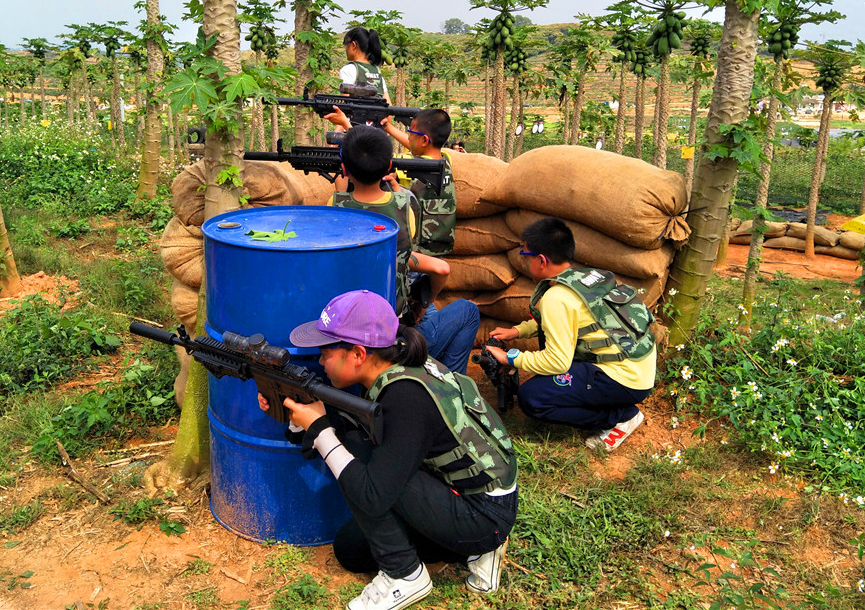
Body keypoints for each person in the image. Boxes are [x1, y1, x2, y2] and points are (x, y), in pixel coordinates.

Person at [262, 290, 518, 610]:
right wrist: (299, 418)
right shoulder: (398, 368)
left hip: (483, 513)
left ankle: (406, 575)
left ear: (357, 353)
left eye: (325, 351)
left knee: (358, 458)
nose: (320, 361)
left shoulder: (406, 397)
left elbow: (372, 494)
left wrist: (321, 431)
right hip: (455, 490)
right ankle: (467, 551)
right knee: (351, 550)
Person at [486, 217, 656, 452]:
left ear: (541, 260)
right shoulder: (584, 279)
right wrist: (517, 331)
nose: (523, 263)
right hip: (639, 369)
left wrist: (512, 358)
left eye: (525, 256)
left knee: (532, 398)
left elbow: (557, 362)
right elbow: (574, 321)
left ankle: (621, 417)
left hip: (622, 379)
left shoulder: (556, 297)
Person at [331, 126, 478, 374]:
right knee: (466, 311)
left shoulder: (335, 208)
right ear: (389, 166)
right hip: (393, 334)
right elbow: (440, 267)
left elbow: (343, 201)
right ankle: (449, 379)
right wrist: (420, 308)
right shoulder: (403, 207)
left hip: (351, 327)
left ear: (344, 169)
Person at [381, 108, 458, 259]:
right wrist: (389, 128)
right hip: (437, 246)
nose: (408, 138)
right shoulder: (445, 159)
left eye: (410, 133)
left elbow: (372, 157)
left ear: (424, 140)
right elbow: (418, 146)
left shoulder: (410, 165)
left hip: (416, 250)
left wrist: (346, 123)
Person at [339, 27, 391, 101]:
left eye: (346, 44)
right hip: (377, 112)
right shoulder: (376, 71)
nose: (345, 49)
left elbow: (345, 103)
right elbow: (388, 104)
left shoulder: (348, 70)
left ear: (353, 45)